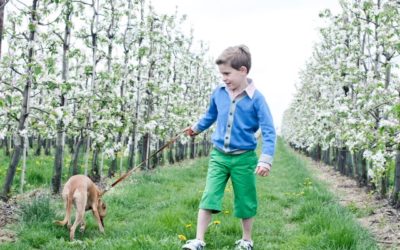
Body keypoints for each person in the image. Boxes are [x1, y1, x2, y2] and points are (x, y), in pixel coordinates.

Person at [182, 45, 276, 250]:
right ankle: (199, 240)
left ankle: (246, 240)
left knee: (245, 199)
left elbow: (269, 131)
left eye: (227, 73)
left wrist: (265, 160)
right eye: (221, 74)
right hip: (219, 155)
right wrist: (196, 128)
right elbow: (210, 115)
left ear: (243, 71)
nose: (224, 78)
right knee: (209, 194)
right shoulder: (219, 93)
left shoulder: (257, 99)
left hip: (244, 158)